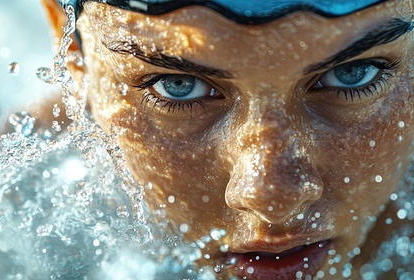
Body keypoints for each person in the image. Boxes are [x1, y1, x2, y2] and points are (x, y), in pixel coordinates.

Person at [42, 0, 413, 279]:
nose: (272, 198)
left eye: (353, 74)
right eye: (178, 86)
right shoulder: (6, 199)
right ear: (74, 52)